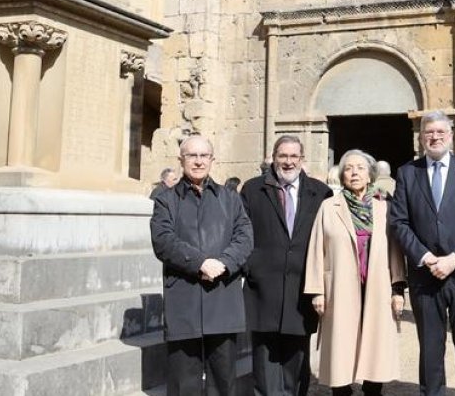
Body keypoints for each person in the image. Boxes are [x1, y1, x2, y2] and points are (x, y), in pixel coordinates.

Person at [389, 111, 455, 396]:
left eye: (440, 132)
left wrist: (454, 258)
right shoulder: (408, 173)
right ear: (421, 138)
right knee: (430, 350)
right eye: (429, 133)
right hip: (425, 275)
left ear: (451, 135)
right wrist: (427, 257)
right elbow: (399, 222)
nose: (434, 137)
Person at [150, 136, 254, 396]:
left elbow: (245, 236)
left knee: (223, 380)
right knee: (184, 381)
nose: (198, 161)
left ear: (212, 160)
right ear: (180, 160)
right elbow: (163, 240)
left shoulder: (230, 199)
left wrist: (224, 263)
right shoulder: (166, 200)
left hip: (222, 297)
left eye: (204, 156)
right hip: (184, 298)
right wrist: (200, 263)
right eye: (191, 156)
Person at [304, 149, 405, 396]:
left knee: (375, 344)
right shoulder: (329, 206)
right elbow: (317, 248)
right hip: (339, 286)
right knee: (340, 344)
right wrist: (317, 291)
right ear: (342, 176)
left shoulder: (384, 208)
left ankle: (373, 390)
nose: (354, 173)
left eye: (360, 168)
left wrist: (397, 289)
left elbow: (395, 249)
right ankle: (341, 390)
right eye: (348, 168)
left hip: (377, 286)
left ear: (370, 175)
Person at [241, 134, 333, 396]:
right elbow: (241, 233)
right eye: (283, 156)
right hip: (263, 289)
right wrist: (252, 267)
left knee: (297, 363)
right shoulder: (252, 189)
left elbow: (328, 240)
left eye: (294, 156)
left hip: (301, 289)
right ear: (273, 158)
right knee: (265, 362)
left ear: (302, 159)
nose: (288, 162)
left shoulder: (320, 193)